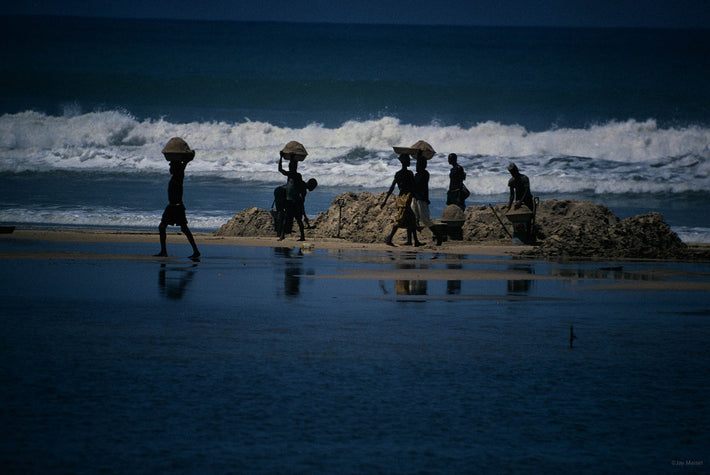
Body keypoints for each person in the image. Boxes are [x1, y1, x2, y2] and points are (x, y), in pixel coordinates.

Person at [155, 137, 200, 258]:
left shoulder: (179, 175)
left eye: (171, 166)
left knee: (163, 227)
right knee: (183, 229)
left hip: (175, 207)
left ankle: (164, 252)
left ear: (175, 167)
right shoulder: (176, 175)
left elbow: (186, 162)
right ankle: (195, 251)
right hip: (175, 206)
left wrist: (188, 158)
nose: (170, 168)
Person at [381, 154, 421, 246]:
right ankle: (389, 239)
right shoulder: (409, 173)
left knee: (411, 219)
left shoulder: (398, 174)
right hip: (406, 199)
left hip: (401, 198)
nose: (410, 162)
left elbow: (392, 187)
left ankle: (414, 241)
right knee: (400, 219)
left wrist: (385, 200)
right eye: (408, 160)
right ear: (405, 162)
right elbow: (414, 187)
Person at [412, 153, 443, 245]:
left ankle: (438, 236)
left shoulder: (424, 174)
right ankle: (416, 240)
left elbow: (418, 186)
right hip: (416, 198)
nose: (417, 166)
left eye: (418, 165)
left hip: (421, 198)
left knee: (425, 219)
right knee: (414, 218)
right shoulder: (417, 174)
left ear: (423, 166)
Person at [278, 151, 306, 241]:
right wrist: (281, 158)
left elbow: (301, 187)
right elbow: (280, 169)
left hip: (295, 200)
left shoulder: (297, 175)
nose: (291, 167)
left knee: (298, 219)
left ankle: (302, 236)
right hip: (290, 200)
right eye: (291, 166)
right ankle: (282, 235)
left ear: (296, 167)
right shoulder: (289, 174)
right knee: (286, 218)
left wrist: (292, 158)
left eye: (293, 166)